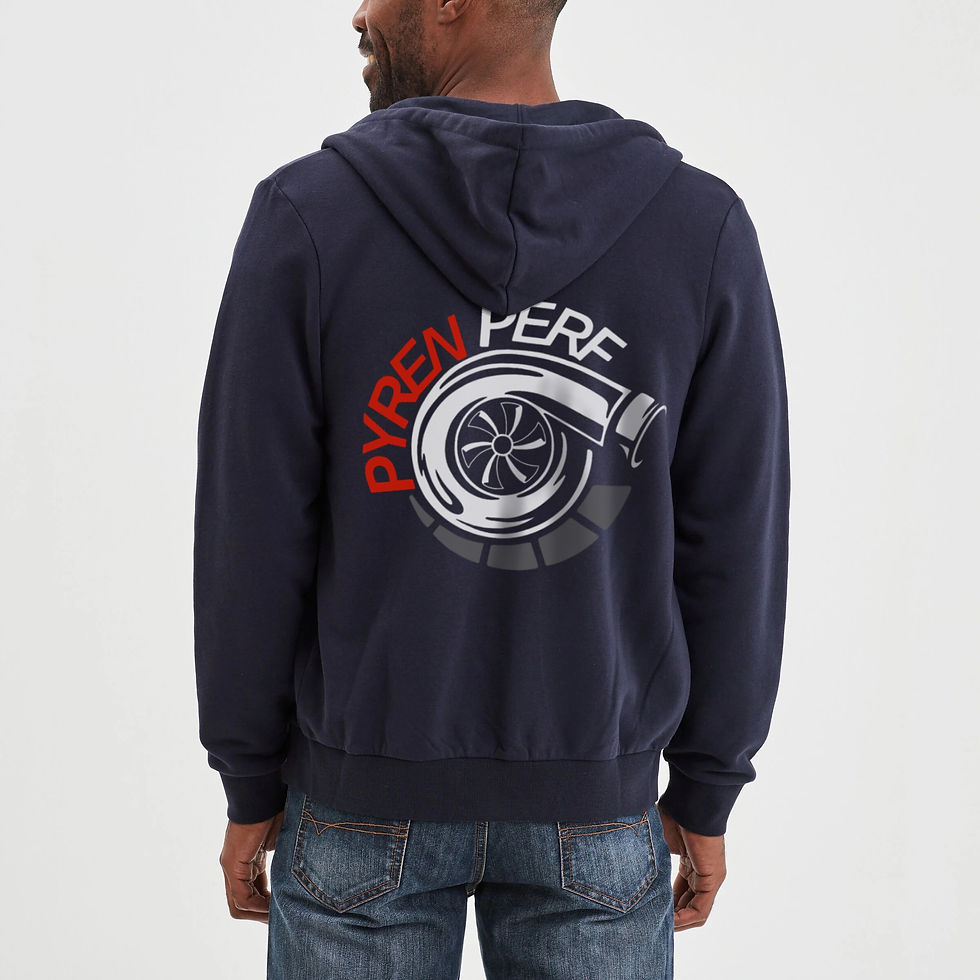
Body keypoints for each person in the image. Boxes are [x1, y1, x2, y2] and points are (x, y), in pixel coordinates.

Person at [192, 0, 791, 976]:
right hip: (596, 806)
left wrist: (249, 774)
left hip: (358, 800)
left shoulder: (306, 216)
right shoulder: (697, 226)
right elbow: (735, 536)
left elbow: (249, 533)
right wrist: (706, 783)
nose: (359, 11)